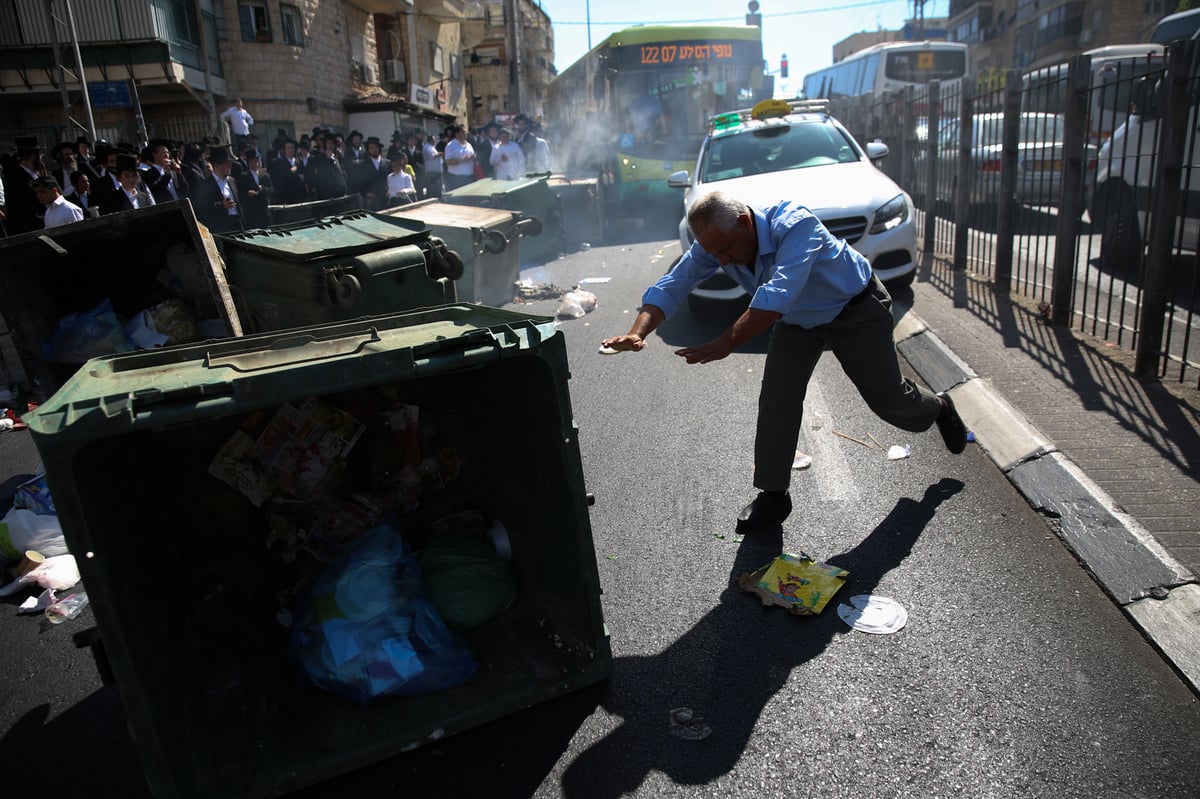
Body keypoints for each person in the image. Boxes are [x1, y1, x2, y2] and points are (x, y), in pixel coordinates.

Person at [600, 191, 968, 532]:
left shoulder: (795, 224)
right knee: (777, 400)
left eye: (726, 251)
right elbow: (673, 283)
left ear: (745, 222)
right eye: (715, 256)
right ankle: (773, 496)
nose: (723, 262)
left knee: (887, 400)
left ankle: (938, 408)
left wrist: (727, 342)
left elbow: (777, 293)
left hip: (853, 309)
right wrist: (638, 332)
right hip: (796, 322)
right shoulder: (715, 243)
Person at [192, 145, 243, 233]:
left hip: (237, 224)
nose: (230, 166)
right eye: (227, 164)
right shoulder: (205, 185)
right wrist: (222, 205)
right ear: (217, 165)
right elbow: (202, 210)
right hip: (220, 228)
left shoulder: (232, 181)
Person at [2, 136, 46, 234]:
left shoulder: (38, 174)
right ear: (33, 155)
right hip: (28, 229)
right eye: (41, 154)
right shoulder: (15, 178)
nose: (41, 157)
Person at [236, 148, 272, 228]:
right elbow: (240, 193)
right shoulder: (243, 176)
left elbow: (271, 190)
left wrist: (262, 189)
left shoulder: (265, 175)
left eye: (256, 161)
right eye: (252, 162)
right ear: (248, 163)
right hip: (251, 212)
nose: (254, 164)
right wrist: (248, 193)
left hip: (264, 210)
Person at [443, 125, 477, 191]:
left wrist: (474, 157)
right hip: (457, 178)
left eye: (465, 132)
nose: (465, 134)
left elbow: (472, 157)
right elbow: (448, 161)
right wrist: (462, 160)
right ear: (457, 134)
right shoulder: (451, 145)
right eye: (463, 132)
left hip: (469, 176)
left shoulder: (468, 145)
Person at [421, 134, 443, 198]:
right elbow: (431, 156)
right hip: (432, 171)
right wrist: (440, 154)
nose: (435, 141)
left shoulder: (432, 147)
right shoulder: (426, 147)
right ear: (430, 140)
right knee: (432, 187)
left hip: (437, 170)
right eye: (434, 140)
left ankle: (438, 197)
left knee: (438, 186)